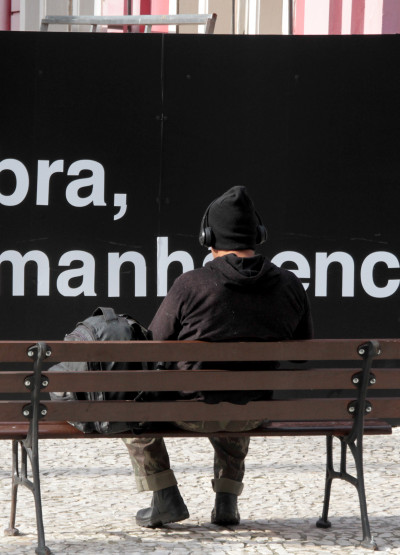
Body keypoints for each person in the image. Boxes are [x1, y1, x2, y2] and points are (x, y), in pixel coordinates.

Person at [123, 185, 313, 528]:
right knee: (240, 393)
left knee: (126, 401)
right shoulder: (290, 285)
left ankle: (164, 493)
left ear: (207, 236)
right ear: (258, 234)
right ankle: (227, 499)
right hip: (253, 413)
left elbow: (150, 349)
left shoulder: (190, 284)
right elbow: (301, 355)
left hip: (189, 412)